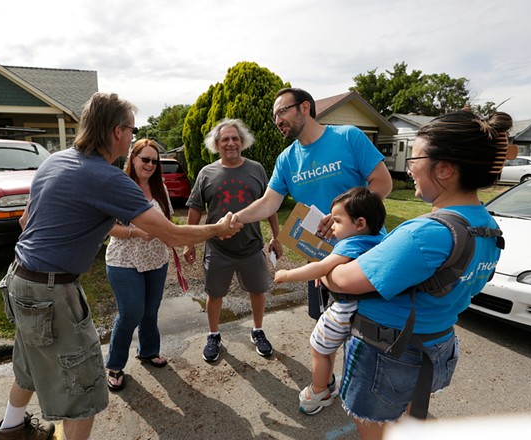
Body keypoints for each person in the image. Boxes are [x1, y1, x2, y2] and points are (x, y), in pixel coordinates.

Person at [0, 92, 241, 440]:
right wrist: (218, 228)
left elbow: (24, 222)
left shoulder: (55, 160)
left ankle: (10, 429)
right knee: (86, 393)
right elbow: (171, 233)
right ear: (115, 132)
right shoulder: (106, 177)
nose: (133, 136)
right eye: (131, 129)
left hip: (20, 279)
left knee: (30, 363)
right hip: (52, 289)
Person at [322, 110, 511, 439]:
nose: (408, 166)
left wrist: (326, 267)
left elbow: (344, 280)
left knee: (368, 417)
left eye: (415, 157)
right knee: (409, 409)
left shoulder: (425, 234)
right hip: (437, 345)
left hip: (389, 353)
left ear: (444, 168)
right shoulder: (488, 227)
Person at [233, 87, 393, 322]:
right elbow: (268, 202)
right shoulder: (286, 159)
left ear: (305, 108)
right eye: (274, 116)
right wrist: (237, 218)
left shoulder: (349, 136)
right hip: (319, 257)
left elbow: (382, 183)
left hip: (363, 251)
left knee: (367, 328)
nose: (278, 120)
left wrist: (342, 215)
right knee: (325, 327)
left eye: (282, 112)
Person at [274, 187, 386, 415]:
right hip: (370, 308)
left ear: (360, 223)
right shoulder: (379, 239)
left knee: (319, 346)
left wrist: (286, 275)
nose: (332, 226)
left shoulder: (352, 243)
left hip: (347, 308)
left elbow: (321, 266)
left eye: (337, 220)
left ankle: (319, 391)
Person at [183, 118, 283, 363]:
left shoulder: (257, 169)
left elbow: (269, 205)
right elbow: (195, 209)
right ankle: (213, 335)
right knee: (215, 293)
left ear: (243, 142)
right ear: (216, 144)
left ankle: (258, 331)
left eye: (235, 138)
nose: (230, 143)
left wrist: (275, 236)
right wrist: (189, 242)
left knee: (258, 291)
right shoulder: (206, 173)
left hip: (251, 246)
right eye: (225, 139)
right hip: (218, 249)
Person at [105, 139, 174, 392]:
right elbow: (107, 226)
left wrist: (177, 240)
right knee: (131, 312)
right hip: (124, 261)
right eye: (145, 159)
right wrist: (135, 232)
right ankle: (114, 364)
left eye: (154, 161)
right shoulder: (119, 188)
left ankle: (148, 351)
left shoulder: (160, 189)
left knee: (151, 310)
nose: (150, 165)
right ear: (132, 159)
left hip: (156, 258)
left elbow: (168, 222)